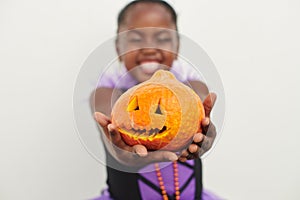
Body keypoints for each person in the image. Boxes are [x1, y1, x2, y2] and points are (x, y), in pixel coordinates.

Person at [91, 0, 221, 199]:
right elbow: (105, 113)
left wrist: (204, 126)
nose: (149, 48)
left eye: (162, 38)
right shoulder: (109, 88)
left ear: (177, 47)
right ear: (118, 48)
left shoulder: (188, 83)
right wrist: (117, 149)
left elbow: (201, 101)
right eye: (136, 39)